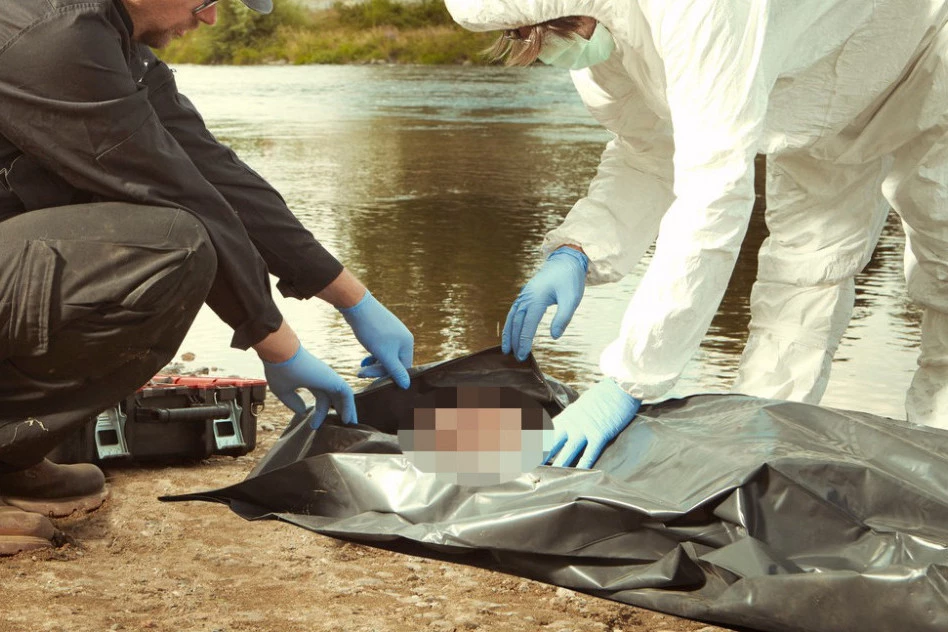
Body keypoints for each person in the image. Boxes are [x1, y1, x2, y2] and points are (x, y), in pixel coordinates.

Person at [444, 0, 948, 468]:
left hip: (922, 60)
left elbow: (713, 195)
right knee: (802, 276)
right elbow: (647, 153)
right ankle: (754, 458)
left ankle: (937, 461)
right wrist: (577, 249)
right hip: (809, 107)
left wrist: (629, 378)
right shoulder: (601, 42)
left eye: (537, 31)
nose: (538, 46)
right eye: (518, 34)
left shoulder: (698, 10)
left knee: (944, 272)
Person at [0, 0, 414, 555]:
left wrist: (352, 297)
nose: (212, 18)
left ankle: (9, 456)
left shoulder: (115, 40)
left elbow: (215, 172)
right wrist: (276, 342)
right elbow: (173, 192)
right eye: (207, 0)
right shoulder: (54, 38)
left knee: (173, 237)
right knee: (169, 250)